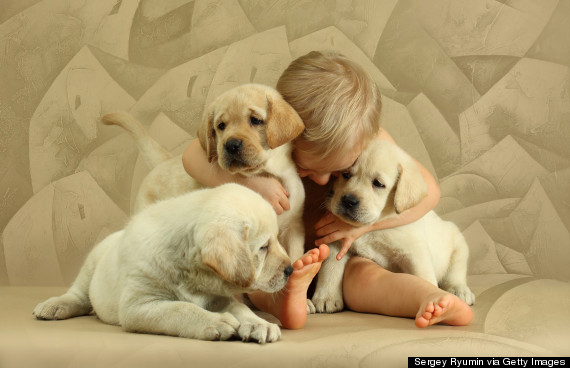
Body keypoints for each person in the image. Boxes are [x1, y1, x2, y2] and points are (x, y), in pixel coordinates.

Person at [182, 51, 473, 330]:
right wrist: (251, 182)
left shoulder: (365, 136)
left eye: (338, 171)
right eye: (309, 168)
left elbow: (430, 192)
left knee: (365, 276)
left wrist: (360, 230)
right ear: (289, 129)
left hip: (339, 261)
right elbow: (191, 157)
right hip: (280, 254)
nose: (323, 181)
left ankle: (426, 296)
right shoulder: (275, 122)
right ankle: (283, 302)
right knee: (256, 270)